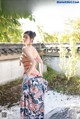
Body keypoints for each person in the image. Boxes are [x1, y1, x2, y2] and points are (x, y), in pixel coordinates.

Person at [19, 31, 48, 119]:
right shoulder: (33, 49)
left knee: (28, 103)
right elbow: (41, 62)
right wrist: (41, 74)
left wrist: (27, 75)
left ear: (31, 39)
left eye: (26, 37)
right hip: (38, 79)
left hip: (30, 78)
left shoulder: (24, 48)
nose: (24, 39)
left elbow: (34, 62)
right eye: (23, 37)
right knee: (36, 104)